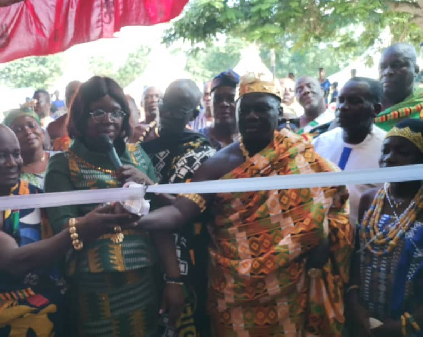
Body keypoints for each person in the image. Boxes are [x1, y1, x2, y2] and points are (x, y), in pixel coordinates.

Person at [135, 72, 354, 336]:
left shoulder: (299, 154)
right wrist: (133, 220)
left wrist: (324, 234)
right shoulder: (217, 164)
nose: (252, 116)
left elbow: (336, 196)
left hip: (289, 287)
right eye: (246, 109)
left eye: (261, 109)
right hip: (233, 291)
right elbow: (182, 211)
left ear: (279, 112)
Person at [0, 123, 134, 336]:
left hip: (55, 316)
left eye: (16, 154)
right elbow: (16, 261)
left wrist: (106, 212)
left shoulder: (27, 193)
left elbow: (62, 224)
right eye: (2, 155)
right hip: (3, 327)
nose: (12, 163)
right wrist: (80, 230)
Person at [44, 76, 179, 336]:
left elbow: (163, 221)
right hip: (92, 286)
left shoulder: (138, 157)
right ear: (81, 117)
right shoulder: (63, 165)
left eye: (117, 112)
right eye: (98, 112)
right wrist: (104, 216)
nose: (109, 119)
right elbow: (62, 227)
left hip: (142, 280)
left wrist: (174, 280)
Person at [141, 79, 215, 336]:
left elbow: (188, 210)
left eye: (179, 109)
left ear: (194, 114)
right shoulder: (142, 148)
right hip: (145, 252)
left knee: (186, 323)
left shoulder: (204, 154)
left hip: (188, 255)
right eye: (166, 105)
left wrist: (150, 186)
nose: (170, 113)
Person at [347, 119, 423, 337]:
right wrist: (354, 304)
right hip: (365, 319)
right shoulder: (369, 199)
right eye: (385, 151)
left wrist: (399, 328)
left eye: (403, 152)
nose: (390, 159)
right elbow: (356, 255)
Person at [313, 77, 386, 225]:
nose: (343, 107)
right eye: (341, 100)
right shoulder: (320, 143)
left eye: (354, 101)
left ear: (376, 109)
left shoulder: (387, 150)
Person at [375, 43, 423, 131]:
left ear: (415, 70)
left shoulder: (420, 105)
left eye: (397, 65)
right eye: (383, 67)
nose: (387, 72)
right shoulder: (363, 104)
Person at [4, 108, 50, 189]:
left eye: (31, 126)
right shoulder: (11, 176)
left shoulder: (62, 160)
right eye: (18, 130)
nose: (27, 131)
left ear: (42, 132)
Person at [200, 70, 240, 150]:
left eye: (231, 99)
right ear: (210, 102)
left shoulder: (250, 140)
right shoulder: (199, 140)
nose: (224, 104)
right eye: (218, 99)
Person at [51, 81, 82, 151]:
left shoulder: (95, 123)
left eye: (76, 93)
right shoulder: (53, 127)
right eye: (69, 94)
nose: (72, 97)